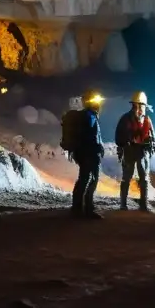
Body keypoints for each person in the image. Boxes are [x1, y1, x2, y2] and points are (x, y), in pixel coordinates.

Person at [61, 90, 106, 219]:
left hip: (84, 153)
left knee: (84, 179)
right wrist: (96, 148)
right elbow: (90, 136)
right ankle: (87, 210)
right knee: (90, 179)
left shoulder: (87, 116)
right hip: (89, 153)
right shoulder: (90, 116)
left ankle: (78, 208)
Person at [115, 91, 155, 211]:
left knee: (144, 178)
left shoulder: (147, 120)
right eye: (136, 105)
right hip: (129, 151)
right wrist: (125, 144)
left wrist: (151, 144)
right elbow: (119, 136)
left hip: (143, 152)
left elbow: (152, 135)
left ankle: (143, 204)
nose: (138, 108)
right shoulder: (125, 119)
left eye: (141, 105)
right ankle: (123, 204)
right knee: (127, 178)